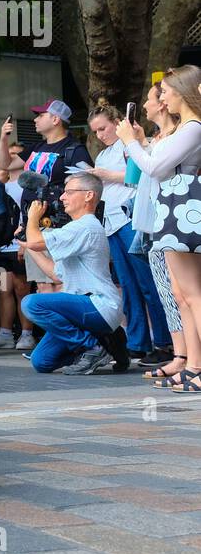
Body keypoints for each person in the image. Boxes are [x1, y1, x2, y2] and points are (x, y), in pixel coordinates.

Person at [119, 66, 201, 391]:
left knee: (192, 293)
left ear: (182, 91)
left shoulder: (193, 127)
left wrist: (129, 143)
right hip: (174, 210)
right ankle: (193, 364)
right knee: (182, 294)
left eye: (166, 91)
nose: (162, 98)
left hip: (181, 210)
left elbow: (154, 167)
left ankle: (195, 364)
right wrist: (139, 143)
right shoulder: (188, 128)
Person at [87, 103, 172, 365]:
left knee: (148, 282)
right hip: (111, 221)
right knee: (128, 286)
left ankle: (165, 342)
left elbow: (141, 175)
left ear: (116, 122)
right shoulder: (102, 155)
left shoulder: (130, 144)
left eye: (103, 128)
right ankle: (138, 342)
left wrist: (107, 175)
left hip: (131, 219)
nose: (100, 135)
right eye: (95, 131)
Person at [17, 173, 125, 374]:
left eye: (69, 192)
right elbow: (57, 275)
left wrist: (32, 219)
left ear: (88, 196)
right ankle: (108, 341)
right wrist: (30, 243)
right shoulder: (75, 228)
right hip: (81, 308)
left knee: (31, 303)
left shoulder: (86, 226)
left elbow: (35, 240)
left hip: (98, 304)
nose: (61, 198)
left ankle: (91, 347)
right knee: (42, 362)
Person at [0, 99, 93, 295]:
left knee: (61, 280)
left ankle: (65, 323)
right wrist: (3, 138)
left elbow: (88, 183)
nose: (35, 119)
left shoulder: (74, 149)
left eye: (41, 115)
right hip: (33, 222)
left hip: (60, 224)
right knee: (41, 283)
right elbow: (5, 165)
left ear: (56, 119)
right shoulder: (36, 147)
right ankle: (51, 326)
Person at [136, 82, 186, 383]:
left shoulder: (182, 136)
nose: (145, 105)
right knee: (168, 292)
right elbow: (138, 178)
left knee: (180, 292)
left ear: (163, 104)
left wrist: (132, 143)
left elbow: (155, 170)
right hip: (151, 221)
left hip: (172, 221)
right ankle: (181, 354)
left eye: (152, 98)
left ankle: (185, 356)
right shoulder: (157, 138)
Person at [0, 154, 35, 350]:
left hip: (19, 247)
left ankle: (27, 334)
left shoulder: (23, 188)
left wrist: (25, 243)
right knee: (2, 290)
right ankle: (5, 333)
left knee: (22, 290)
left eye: (0, 168)